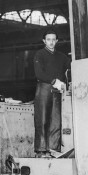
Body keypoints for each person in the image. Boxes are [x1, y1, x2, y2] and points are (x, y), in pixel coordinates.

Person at [33, 30, 70, 158]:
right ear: (44, 41)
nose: (51, 42)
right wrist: (53, 81)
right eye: (49, 39)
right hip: (44, 88)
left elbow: (70, 69)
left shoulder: (62, 57)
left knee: (56, 121)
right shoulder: (40, 55)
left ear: (57, 41)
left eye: (54, 39)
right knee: (43, 120)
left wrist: (67, 83)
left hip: (58, 90)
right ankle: (41, 150)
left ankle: (53, 150)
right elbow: (39, 73)